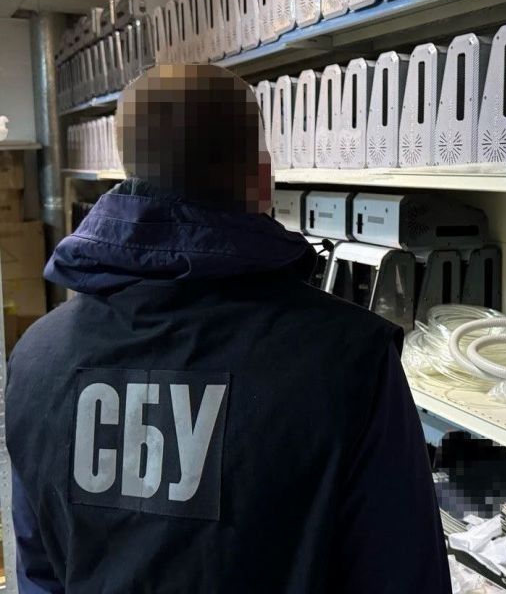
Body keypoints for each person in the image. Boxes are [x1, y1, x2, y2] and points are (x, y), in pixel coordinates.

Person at [5, 64, 451, 593]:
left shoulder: (34, 356)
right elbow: (403, 575)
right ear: (262, 178)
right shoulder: (351, 357)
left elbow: (38, 572)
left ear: (127, 169)